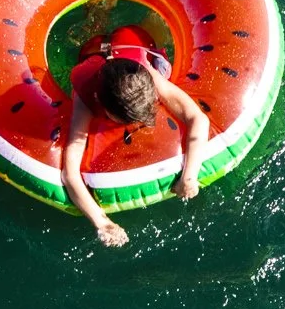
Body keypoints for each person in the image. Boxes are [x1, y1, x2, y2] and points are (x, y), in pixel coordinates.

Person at [62, 23, 210, 248]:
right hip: (94, 53)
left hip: (135, 40)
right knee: (90, 33)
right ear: (107, 111)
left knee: (154, 42)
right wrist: (102, 222)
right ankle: (98, 12)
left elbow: (197, 118)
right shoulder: (85, 99)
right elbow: (70, 173)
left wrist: (189, 176)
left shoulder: (144, 74)